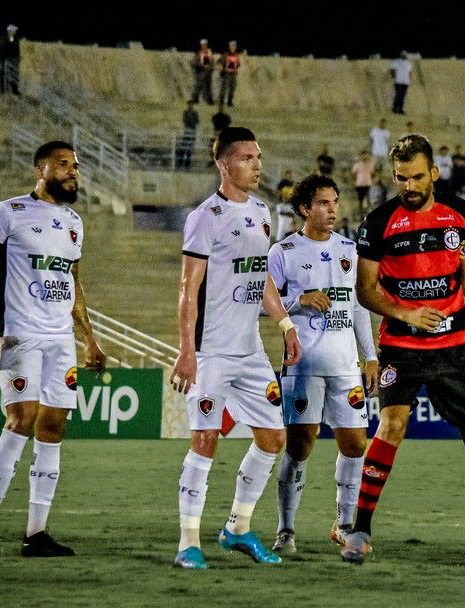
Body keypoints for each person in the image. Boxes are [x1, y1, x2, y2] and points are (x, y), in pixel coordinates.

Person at [339, 134, 465, 572]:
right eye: (399, 178)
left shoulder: (459, 214)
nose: (407, 186)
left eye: (415, 177)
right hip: (401, 347)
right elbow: (366, 291)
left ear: (434, 173)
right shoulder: (377, 223)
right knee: (392, 425)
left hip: (454, 348)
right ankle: (360, 531)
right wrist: (407, 313)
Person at [0, 141, 107, 558]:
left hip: (60, 339)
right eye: (63, 164)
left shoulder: (75, 221)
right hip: (19, 333)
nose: (72, 172)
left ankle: (36, 533)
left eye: (75, 166)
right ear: (39, 168)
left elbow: (74, 284)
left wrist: (90, 338)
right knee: (21, 419)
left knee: (53, 428)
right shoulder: (8, 212)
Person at [169, 127, 301, 570]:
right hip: (210, 352)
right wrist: (186, 351)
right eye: (246, 157)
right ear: (224, 165)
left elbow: (259, 277)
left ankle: (238, 528)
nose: (257, 164)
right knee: (205, 439)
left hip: (249, 352)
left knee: (273, 436)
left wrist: (284, 324)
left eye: (258, 156)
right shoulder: (206, 216)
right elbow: (189, 289)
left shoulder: (263, 212)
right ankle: (188, 542)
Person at [266, 174, 379, 555]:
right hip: (303, 365)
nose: (333, 210)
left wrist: (372, 355)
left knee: (355, 445)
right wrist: (300, 300)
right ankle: (285, 530)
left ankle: (344, 524)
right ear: (304, 209)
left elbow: (359, 306)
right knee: (300, 446)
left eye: (335, 202)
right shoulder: (284, 251)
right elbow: (266, 306)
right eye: (324, 203)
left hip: (346, 365)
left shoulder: (351, 249)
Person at [190, 38, 215, 105]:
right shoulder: (199, 53)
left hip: (208, 72)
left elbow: (212, 61)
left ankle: (210, 100)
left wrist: (212, 68)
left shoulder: (210, 52)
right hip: (202, 71)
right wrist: (199, 66)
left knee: (208, 86)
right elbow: (193, 62)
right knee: (198, 85)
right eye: (203, 45)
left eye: (205, 45)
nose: (204, 46)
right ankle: (195, 99)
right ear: (201, 45)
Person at [217, 40, 241, 107]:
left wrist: (236, 66)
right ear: (229, 47)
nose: (232, 48)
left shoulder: (236, 55)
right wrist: (222, 68)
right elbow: (219, 61)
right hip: (226, 73)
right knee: (224, 88)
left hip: (233, 74)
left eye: (234, 47)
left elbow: (238, 64)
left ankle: (229, 102)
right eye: (231, 47)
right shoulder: (225, 54)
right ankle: (221, 101)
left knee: (232, 88)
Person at [0, 25, 21, 95]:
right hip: (6, 60)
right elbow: (0, 49)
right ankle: (4, 92)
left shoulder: (15, 39)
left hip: (14, 61)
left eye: (15, 31)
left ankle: (15, 91)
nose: (15, 32)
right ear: (10, 31)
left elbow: (17, 49)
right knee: (5, 76)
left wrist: (18, 57)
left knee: (14, 76)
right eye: (14, 31)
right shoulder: (3, 39)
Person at [177, 101, 200, 169]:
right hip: (186, 132)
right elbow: (184, 120)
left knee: (189, 149)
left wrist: (191, 118)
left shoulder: (195, 113)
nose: (190, 106)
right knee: (183, 148)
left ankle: (187, 164)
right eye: (189, 105)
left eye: (191, 105)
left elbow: (197, 121)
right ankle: (180, 162)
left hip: (192, 132)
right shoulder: (186, 112)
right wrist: (190, 118)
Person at [350, 150, 374, 216]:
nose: (365, 157)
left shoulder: (370, 164)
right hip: (360, 184)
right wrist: (355, 181)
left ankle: (369, 213)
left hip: (368, 183)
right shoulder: (357, 165)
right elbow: (353, 174)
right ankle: (361, 214)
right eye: (363, 155)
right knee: (360, 199)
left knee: (368, 198)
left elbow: (372, 173)